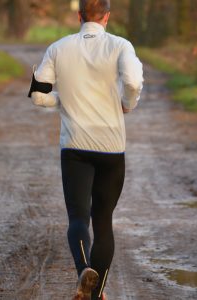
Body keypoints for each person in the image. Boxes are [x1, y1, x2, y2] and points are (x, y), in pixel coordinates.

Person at [28, 0, 143, 299]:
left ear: (79, 16)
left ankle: (83, 271)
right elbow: (132, 81)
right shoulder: (120, 45)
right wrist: (127, 103)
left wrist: (63, 99)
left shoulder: (58, 47)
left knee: (78, 218)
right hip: (111, 146)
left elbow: (39, 98)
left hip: (75, 146)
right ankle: (97, 293)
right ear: (107, 16)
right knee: (103, 220)